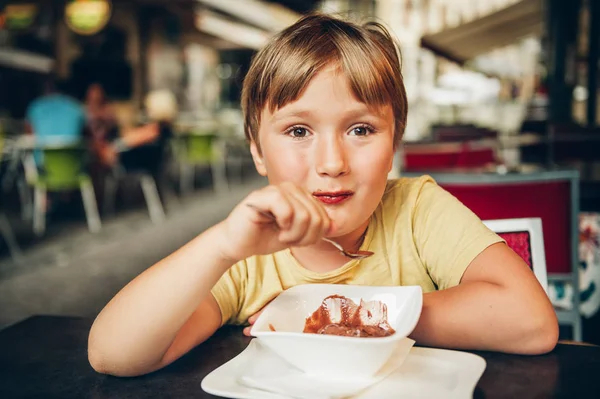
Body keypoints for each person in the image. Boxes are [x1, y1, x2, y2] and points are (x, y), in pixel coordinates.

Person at [88, 13, 558, 377]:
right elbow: (113, 355)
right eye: (297, 130)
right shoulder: (246, 257)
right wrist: (221, 247)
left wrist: (337, 315)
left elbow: (533, 323)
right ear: (257, 151)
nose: (332, 162)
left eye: (360, 129)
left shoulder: (417, 209)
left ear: (394, 144)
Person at [25, 78, 86, 165]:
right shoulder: (77, 108)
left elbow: (30, 137)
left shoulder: (35, 107)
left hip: (43, 166)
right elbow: (83, 134)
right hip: (71, 166)